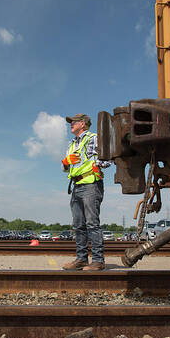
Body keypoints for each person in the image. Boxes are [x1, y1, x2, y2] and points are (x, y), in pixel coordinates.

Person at [61, 113, 112, 271]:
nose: (71, 124)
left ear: (82, 124)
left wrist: (98, 164)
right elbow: (66, 168)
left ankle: (98, 261)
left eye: (73, 122)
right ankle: (82, 259)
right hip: (76, 186)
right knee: (78, 225)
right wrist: (65, 163)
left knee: (92, 223)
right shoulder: (71, 144)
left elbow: (108, 158)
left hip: (91, 184)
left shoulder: (93, 138)